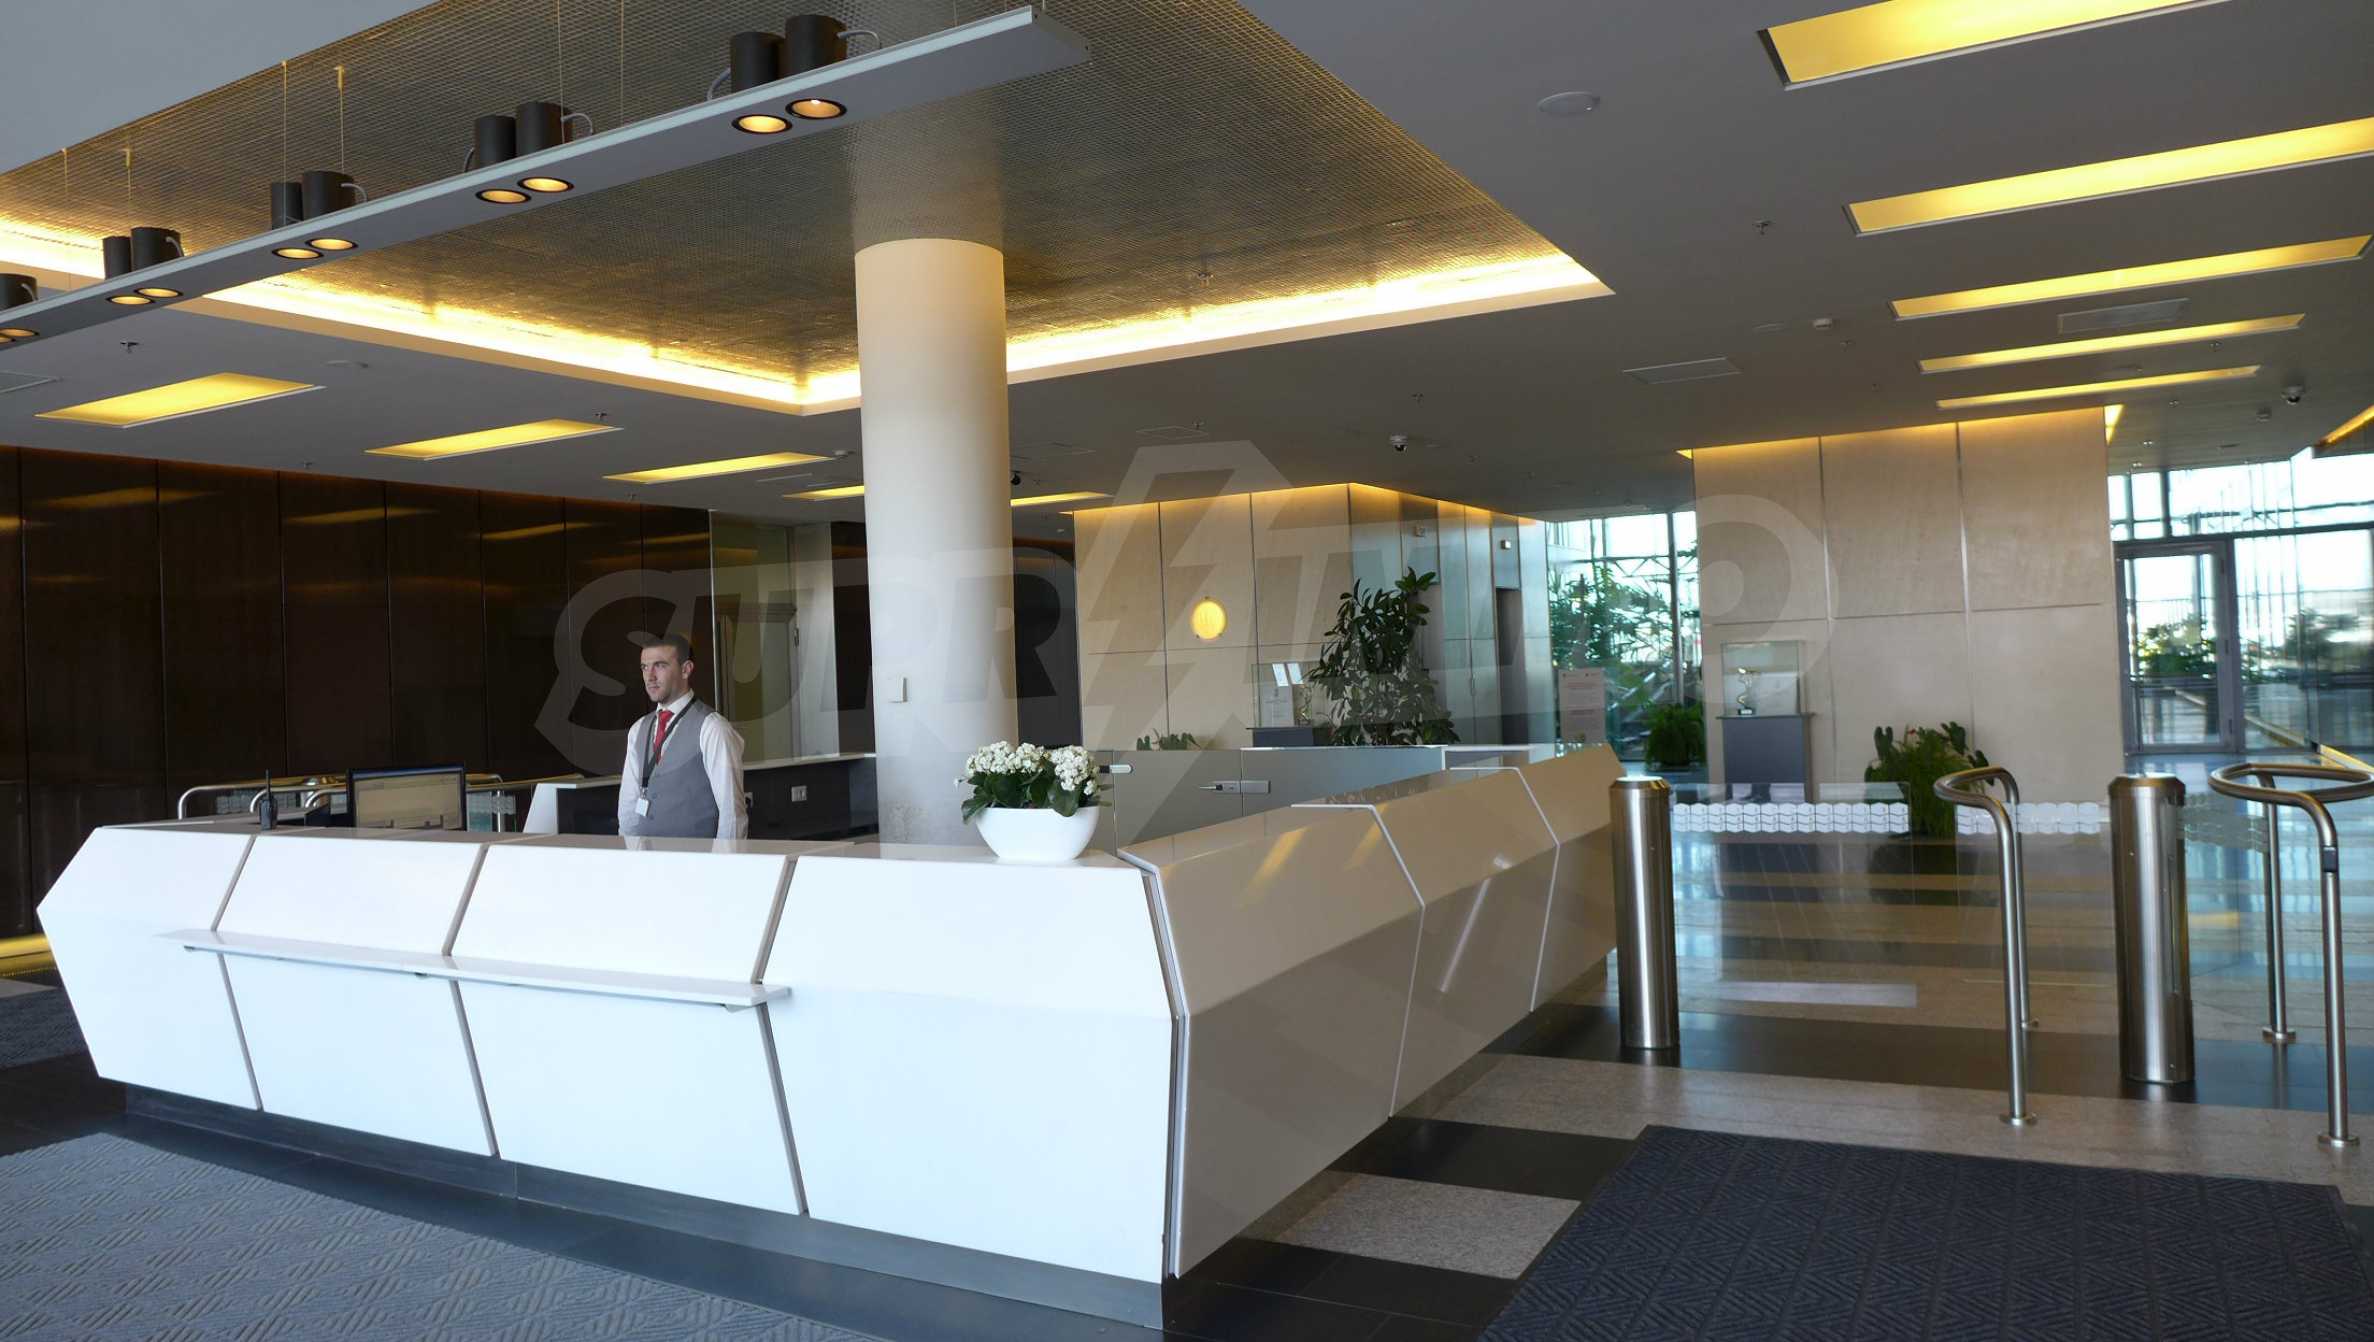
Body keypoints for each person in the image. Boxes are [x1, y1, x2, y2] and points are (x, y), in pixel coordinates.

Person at [617, 634, 747, 840]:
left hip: (697, 856)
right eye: (644, 667)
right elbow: (628, 804)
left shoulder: (713, 728)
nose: (650, 676)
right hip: (646, 856)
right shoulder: (638, 729)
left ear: (686, 669)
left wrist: (726, 859)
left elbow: (732, 813)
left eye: (660, 665)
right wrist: (627, 853)